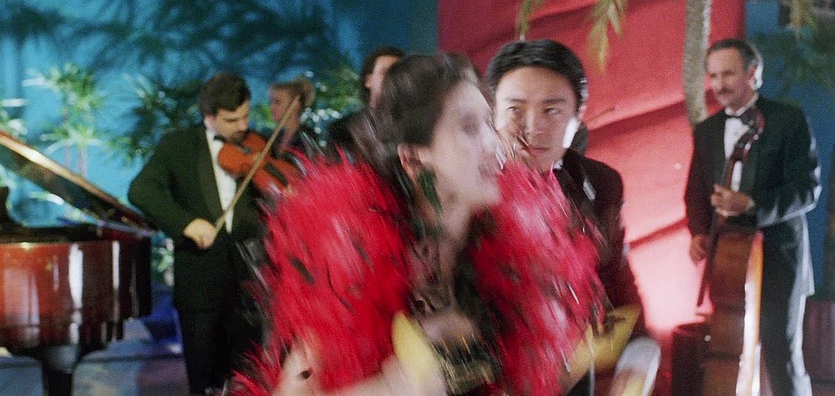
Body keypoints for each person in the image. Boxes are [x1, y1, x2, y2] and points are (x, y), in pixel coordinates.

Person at [232, 53, 602, 396]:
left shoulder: (510, 253)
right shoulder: (354, 263)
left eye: (490, 123)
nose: (494, 145)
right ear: (413, 159)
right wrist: (388, 389)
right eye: (469, 128)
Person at [486, 39, 645, 395]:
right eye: (515, 110)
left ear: (578, 118)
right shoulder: (468, 187)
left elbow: (615, 280)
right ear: (492, 114)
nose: (532, 127)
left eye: (552, 111)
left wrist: (637, 355)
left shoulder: (599, 183)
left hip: (572, 375)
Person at [686, 38, 821, 396]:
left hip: (779, 255)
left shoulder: (789, 120)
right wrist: (698, 232)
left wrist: (751, 205)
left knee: (781, 352)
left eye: (728, 74)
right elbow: (695, 192)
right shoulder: (707, 130)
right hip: (729, 259)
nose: (719, 84)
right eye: (714, 76)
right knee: (730, 348)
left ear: (752, 73)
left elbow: (807, 190)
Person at [128, 72, 264, 395]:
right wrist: (186, 223)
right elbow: (141, 191)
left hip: (248, 286)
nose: (243, 126)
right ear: (209, 116)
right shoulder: (178, 146)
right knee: (203, 382)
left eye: (246, 116)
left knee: (250, 380)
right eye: (232, 120)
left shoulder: (258, 146)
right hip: (200, 287)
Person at [327, 46, 405, 158]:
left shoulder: (415, 127)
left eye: (397, 73)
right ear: (368, 80)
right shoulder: (342, 130)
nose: (391, 78)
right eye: (385, 72)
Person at [267, 76, 317, 156]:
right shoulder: (274, 135)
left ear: (296, 105)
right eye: (270, 102)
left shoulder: (308, 138)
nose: (271, 107)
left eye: (277, 102)